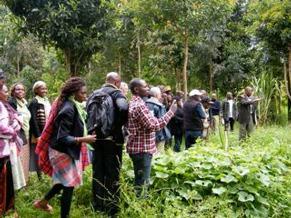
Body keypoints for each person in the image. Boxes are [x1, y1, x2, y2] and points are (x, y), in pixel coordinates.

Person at [33, 77, 95, 218]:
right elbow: (62, 137)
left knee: (64, 181)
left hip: (64, 150)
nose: (85, 96)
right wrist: (84, 139)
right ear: (74, 93)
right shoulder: (68, 108)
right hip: (61, 151)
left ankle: (42, 202)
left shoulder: (71, 104)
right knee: (69, 185)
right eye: (83, 93)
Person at [126, 78, 177, 196]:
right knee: (143, 183)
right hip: (142, 150)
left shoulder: (134, 102)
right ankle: (141, 205)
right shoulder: (139, 106)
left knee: (139, 180)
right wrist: (171, 112)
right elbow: (154, 125)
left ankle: (139, 201)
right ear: (136, 89)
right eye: (145, 86)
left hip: (137, 148)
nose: (147, 88)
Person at [90, 72, 128, 215]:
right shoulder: (117, 94)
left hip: (96, 140)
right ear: (117, 82)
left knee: (98, 171)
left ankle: (97, 205)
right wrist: (117, 126)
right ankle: (112, 208)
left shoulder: (94, 94)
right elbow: (123, 108)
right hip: (113, 141)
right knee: (113, 173)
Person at [0, 84, 24, 217]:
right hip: (2, 149)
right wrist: (13, 132)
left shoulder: (5, 105)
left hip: (6, 149)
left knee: (7, 181)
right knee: (4, 182)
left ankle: (8, 209)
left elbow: (17, 118)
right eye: (4, 91)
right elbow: (3, 128)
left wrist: (16, 123)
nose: (6, 93)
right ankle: (5, 210)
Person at [9, 83, 31, 183]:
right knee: (20, 158)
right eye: (18, 89)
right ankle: (19, 183)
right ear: (13, 91)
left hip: (26, 133)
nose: (20, 91)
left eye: (22, 89)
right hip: (18, 135)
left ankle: (25, 181)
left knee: (25, 158)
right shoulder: (12, 102)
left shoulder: (24, 103)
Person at [28, 81, 51, 180]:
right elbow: (33, 119)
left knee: (46, 154)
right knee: (39, 154)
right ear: (36, 90)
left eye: (45, 88)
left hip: (47, 132)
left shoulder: (46, 101)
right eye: (42, 88)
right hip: (39, 134)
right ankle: (40, 176)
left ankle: (47, 173)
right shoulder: (34, 102)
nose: (45, 90)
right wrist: (38, 135)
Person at [146, 87, 171, 153]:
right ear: (157, 95)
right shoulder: (159, 106)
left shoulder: (144, 103)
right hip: (159, 135)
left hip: (148, 134)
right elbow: (163, 121)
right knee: (159, 154)